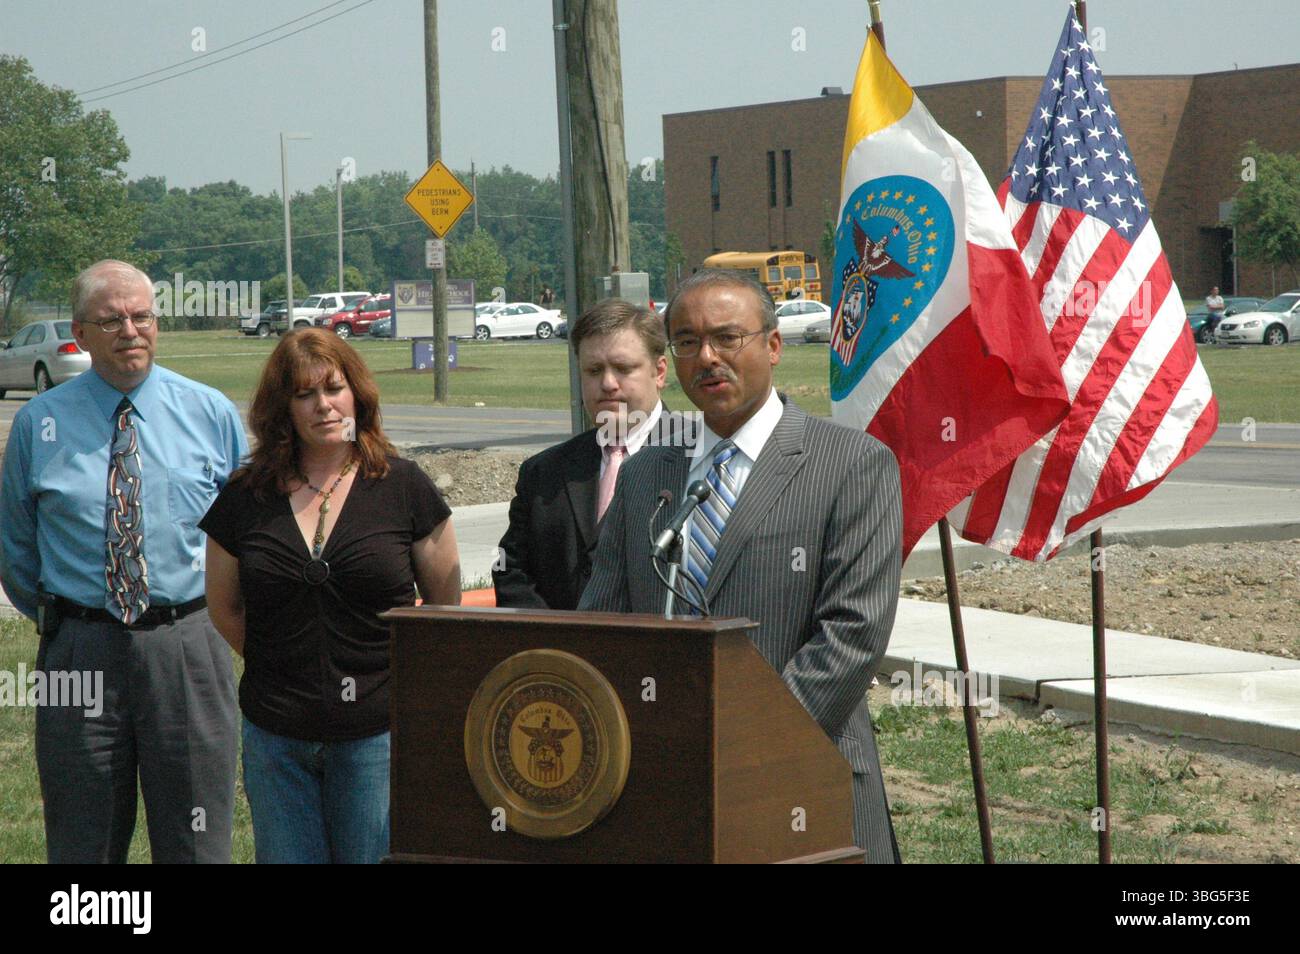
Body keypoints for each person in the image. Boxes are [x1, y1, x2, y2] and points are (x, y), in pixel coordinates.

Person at [579, 270, 904, 863]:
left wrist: (742, 752)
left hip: (801, 782)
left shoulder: (852, 465)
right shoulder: (647, 473)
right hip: (664, 790)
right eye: (685, 342)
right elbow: (602, 624)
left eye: (728, 337)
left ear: (773, 346)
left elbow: (852, 636)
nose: (706, 357)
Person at [0, 259, 247, 863]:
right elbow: (15, 547)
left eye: (142, 317)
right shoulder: (40, 423)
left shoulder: (211, 413)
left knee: (197, 836)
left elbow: (247, 538)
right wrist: (65, 619)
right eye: (112, 320)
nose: (131, 331)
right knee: (83, 839)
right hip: (80, 650)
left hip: (189, 643)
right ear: (80, 333)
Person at [201, 328, 461, 863]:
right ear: (284, 409)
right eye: (304, 394)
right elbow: (224, 606)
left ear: (357, 396)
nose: (323, 405)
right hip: (276, 735)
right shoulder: (244, 496)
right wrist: (281, 663)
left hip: (375, 733)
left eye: (334, 388)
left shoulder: (404, 486)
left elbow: (443, 607)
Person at [494, 298, 669, 609]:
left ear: (659, 372)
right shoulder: (543, 472)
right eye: (593, 370)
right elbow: (509, 567)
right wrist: (556, 641)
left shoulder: (698, 459)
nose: (607, 383)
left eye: (623, 368)